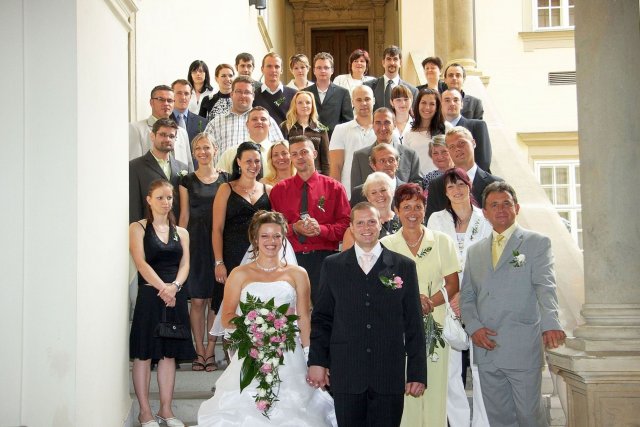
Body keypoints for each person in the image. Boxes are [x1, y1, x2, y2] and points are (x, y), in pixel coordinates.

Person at [198, 211, 337, 426]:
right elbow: (227, 317)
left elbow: (304, 318)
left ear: (283, 238)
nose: (271, 241)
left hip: (290, 352)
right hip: (252, 351)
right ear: (255, 238)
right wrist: (258, 325)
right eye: (265, 236)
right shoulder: (239, 274)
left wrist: (311, 356)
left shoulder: (298, 274)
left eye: (276, 236)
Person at [308, 202, 426, 427]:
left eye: (371, 221)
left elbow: (413, 323)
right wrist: (318, 361)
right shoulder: (332, 265)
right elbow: (322, 318)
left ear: (381, 224)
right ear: (351, 228)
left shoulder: (403, 266)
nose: (366, 228)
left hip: (388, 373)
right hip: (347, 373)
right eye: (360, 223)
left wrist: (417, 372)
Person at [461, 181, 566, 427]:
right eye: (494, 205)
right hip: (486, 347)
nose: (500, 209)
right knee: (499, 419)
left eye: (506, 204)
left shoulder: (537, 243)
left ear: (516, 208)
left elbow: (545, 286)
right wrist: (474, 328)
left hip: (522, 346)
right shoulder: (475, 251)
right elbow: (467, 296)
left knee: (530, 417)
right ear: (485, 212)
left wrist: (551, 323)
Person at [380, 183, 460, 427]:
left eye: (418, 206)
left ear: (425, 209)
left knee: (435, 388)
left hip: (435, 324)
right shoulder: (386, 245)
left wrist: (429, 302)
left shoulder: (442, 241)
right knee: (406, 387)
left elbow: (453, 283)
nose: (412, 212)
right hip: (400, 328)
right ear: (396, 210)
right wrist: (412, 302)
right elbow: (383, 285)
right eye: (406, 207)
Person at [426, 168, 493, 427]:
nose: (456, 190)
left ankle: (482, 423)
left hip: (480, 300)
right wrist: (451, 295)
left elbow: (489, 262)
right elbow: (435, 261)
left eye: (461, 184)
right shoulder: (437, 219)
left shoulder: (485, 218)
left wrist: (467, 295)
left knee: (480, 367)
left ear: (469, 186)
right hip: (448, 300)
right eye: (451, 186)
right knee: (450, 370)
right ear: (445, 192)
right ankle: (459, 422)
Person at [129, 179, 195, 427]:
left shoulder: (182, 232)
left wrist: (174, 287)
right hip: (150, 297)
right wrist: (163, 288)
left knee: (169, 355)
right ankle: (145, 412)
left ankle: (166, 410)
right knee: (144, 354)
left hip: (174, 298)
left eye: (169, 197)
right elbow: (141, 263)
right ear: (149, 200)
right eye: (160, 197)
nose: (166, 202)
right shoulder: (137, 228)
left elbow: (185, 264)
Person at [269, 135, 350, 304]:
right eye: (294, 154)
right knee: (292, 312)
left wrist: (322, 229)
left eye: (304, 152)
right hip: (290, 259)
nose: (299, 157)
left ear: (314, 153)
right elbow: (272, 229)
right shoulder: (279, 190)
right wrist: (294, 228)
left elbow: (346, 226)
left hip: (324, 259)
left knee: (324, 312)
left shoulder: (334, 187)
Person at [178, 133, 228, 372]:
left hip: (219, 244)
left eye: (207, 147)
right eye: (198, 148)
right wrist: (180, 248)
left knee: (215, 301)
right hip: (195, 244)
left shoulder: (226, 179)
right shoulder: (186, 180)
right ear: (193, 152)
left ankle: (210, 351)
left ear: (215, 150)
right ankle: (198, 350)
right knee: (198, 300)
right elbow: (184, 216)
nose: (203, 152)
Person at [212, 142, 272, 289]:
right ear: (239, 162)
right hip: (232, 255)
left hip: (261, 256)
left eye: (257, 161)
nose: (253, 165)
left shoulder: (269, 190)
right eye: (248, 161)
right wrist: (219, 262)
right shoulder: (226, 189)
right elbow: (217, 229)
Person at [425, 126, 502, 222]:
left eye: (461, 143)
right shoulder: (437, 185)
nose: (457, 149)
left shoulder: (495, 184)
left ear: (473, 143)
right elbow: (431, 223)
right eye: (451, 147)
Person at [204, 76, 283, 164]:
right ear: (231, 94)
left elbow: (281, 151)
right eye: (239, 92)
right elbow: (204, 153)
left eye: (247, 92)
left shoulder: (266, 121)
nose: (243, 95)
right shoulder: (215, 124)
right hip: (224, 172)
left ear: (253, 96)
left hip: (261, 172)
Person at [350, 108, 420, 195]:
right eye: (378, 123)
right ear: (372, 125)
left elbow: (417, 186)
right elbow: (357, 193)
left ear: (394, 125)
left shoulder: (410, 155)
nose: (383, 128)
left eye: (387, 122)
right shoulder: (360, 157)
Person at [130, 118, 188, 223]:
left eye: (171, 136)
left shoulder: (183, 168)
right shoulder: (135, 167)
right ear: (152, 136)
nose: (167, 139)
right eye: (163, 135)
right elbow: (134, 207)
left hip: (176, 228)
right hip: (148, 228)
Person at [328, 85, 378, 199]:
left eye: (367, 99)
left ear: (374, 100)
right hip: (348, 193)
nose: (363, 103)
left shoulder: (384, 130)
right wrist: (336, 195)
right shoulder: (340, 129)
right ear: (352, 102)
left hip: (379, 193)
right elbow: (336, 166)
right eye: (359, 100)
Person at [129, 85, 194, 171]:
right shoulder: (136, 129)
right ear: (151, 102)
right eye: (161, 99)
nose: (166, 104)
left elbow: (189, 166)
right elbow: (134, 166)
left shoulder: (182, 132)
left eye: (170, 100)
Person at [342, 172, 400, 250]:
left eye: (383, 190)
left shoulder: (405, 221)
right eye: (373, 192)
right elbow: (346, 257)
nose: (380, 195)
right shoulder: (354, 231)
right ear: (368, 198)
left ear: (392, 192)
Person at [442, 88, 492, 173]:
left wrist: (465, 178)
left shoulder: (477, 126)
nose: (452, 103)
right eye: (447, 100)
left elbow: (484, 161)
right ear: (440, 105)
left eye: (456, 100)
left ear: (462, 104)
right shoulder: (435, 130)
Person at [280, 90, 330, 175]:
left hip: (316, 174)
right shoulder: (285, 126)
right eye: (300, 103)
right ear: (295, 105)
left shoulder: (321, 129)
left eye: (308, 102)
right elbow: (282, 154)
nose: (304, 105)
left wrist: (326, 177)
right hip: (292, 174)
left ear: (312, 106)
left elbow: (326, 159)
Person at [404, 88, 451, 176]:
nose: (427, 107)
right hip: (418, 181)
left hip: (443, 178)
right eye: (423, 103)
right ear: (418, 105)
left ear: (437, 107)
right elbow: (406, 162)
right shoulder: (409, 133)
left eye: (432, 104)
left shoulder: (447, 128)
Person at [216, 106, 276, 173]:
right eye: (254, 119)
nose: (259, 122)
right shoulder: (230, 154)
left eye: (263, 119)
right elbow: (219, 178)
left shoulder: (278, 155)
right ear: (247, 124)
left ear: (270, 125)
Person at [307, 52, 353, 136]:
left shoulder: (343, 93)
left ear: (332, 70)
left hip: (335, 139)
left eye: (326, 67)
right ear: (314, 71)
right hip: (310, 138)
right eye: (319, 68)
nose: (323, 71)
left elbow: (348, 121)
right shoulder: (305, 92)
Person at [365, 45, 418, 111]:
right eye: (388, 59)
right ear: (383, 62)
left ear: (400, 63)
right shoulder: (368, 87)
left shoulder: (412, 91)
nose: (392, 63)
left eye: (395, 59)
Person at [253, 52, 298, 124]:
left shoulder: (294, 95)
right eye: (269, 66)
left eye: (277, 67)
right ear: (262, 69)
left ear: (281, 70)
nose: (273, 70)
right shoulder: (253, 96)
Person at [171, 79, 207, 146]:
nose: (183, 97)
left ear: (190, 96)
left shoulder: (202, 122)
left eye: (186, 93)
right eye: (179, 93)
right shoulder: (164, 120)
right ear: (172, 95)